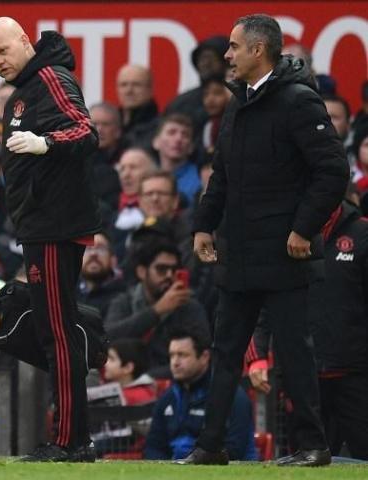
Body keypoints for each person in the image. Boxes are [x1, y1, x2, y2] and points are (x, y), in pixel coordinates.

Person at [188, 14, 349, 466]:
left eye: (235, 46)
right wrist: (204, 224)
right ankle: (210, 445)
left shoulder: (299, 101)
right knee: (225, 351)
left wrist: (303, 228)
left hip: (284, 250)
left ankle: (313, 446)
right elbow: (221, 174)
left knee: (294, 352)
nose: (227, 55)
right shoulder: (239, 102)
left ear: (259, 51)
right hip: (238, 249)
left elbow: (334, 171)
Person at [0, 17, 100, 462]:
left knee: (57, 331)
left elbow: (86, 131)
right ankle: (73, 437)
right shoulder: (31, 85)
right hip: (42, 223)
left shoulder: (50, 77)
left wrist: (45, 143)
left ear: (24, 42)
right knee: (56, 328)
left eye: (2, 51)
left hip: (54, 223)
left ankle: (70, 440)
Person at [247, 198, 368, 460]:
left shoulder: (362, 233)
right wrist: (256, 357)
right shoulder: (282, 233)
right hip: (300, 375)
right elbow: (262, 301)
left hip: (356, 375)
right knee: (305, 461)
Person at [144, 327, 257, 461]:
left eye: (182, 355)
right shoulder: (167, 398)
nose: (175, 362)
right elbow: (153, 447)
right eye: (172, 355)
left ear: (204, 357)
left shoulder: (232, 396)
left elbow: (235, 448)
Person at [105, 241, 208, 378]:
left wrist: (149, 377)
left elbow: (201, 355)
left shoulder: (189, 307)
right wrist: (156, 311)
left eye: (174, 270)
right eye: (161, 269)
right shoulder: (124, 302)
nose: (169, 276)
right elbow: (108, 336)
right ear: (142, 272)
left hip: (171, 381)